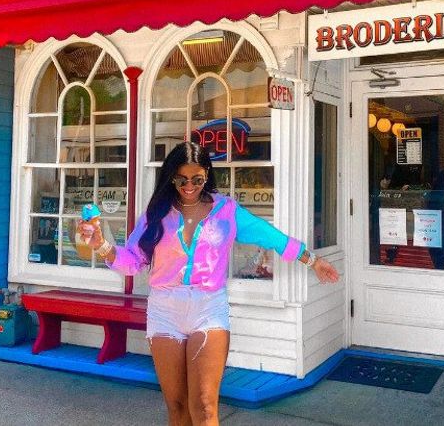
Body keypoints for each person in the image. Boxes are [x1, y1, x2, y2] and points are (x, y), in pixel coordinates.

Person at [80, 142, 340, 426]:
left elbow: (271, 237)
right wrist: (102, 245)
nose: (189, 186)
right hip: (164, 310)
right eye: (181, 179)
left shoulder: (226, 210)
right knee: (177, 407)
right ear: (171, 178)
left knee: (204, 406)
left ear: (207, 174)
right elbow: (132, 262)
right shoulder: (156, 214)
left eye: (197, 179)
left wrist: (313, 260)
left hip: (208, 308)